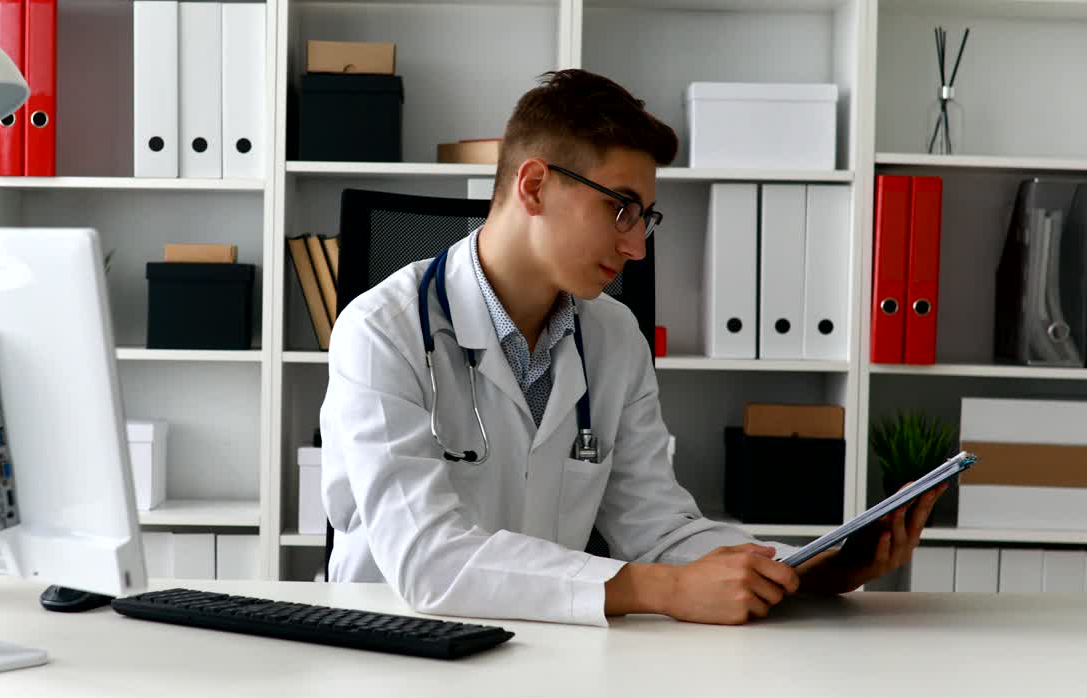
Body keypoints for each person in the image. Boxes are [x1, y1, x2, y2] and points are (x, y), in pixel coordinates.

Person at [319, 68, 946, 627]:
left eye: (645, 216)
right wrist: (662, 590)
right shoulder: (382, 331)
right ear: (533, 186)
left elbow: (657, 529)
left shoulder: (613, 336)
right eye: (620, 208)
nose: (637, 246)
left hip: (546, 642)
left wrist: (808, 569)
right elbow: (429, 560)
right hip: (394, 642)